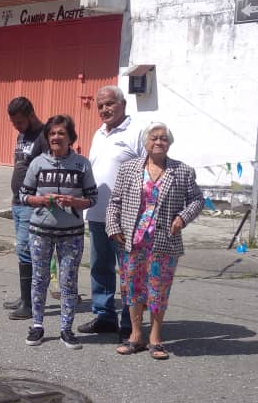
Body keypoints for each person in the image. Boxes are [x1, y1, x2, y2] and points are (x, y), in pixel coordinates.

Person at [106, 123, 203, 360]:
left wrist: (182, 217)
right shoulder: (129, 168)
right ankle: (136, 336)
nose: (159, 142)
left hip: (164, 241)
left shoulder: (183, 171)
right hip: (133, 239)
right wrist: (113, 226)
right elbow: (115, 201)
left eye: (164, 139)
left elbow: (197, 200)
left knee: (158, 289)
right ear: (145, 142)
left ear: (169, 143)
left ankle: (156, 338)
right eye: (154, 138)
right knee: (132, 288)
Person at [19, 115, 97, 349]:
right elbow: (23, 195)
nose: (56, 137)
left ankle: (66, 329)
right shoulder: (37, 163)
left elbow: (92, 198)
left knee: (68, 281)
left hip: (71, 233)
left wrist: (74, 202)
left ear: (70, 137)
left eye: (61, 133)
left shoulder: (82, 164)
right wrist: (41, 200)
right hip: (40, 231)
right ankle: (37, 325)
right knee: (39, 279)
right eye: (52, 133)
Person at [79, 86, 145, 341]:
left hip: (127, 218)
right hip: (97, 214)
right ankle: (105, 316)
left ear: (123, 104)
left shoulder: (137, 131)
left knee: (129, 271)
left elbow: (148, 171)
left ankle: (130, 323)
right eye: (100, 106)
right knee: (100, 268)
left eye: (110, 104)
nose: (105, 110)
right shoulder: (99, 133)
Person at [4, 97, 47, 320]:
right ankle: (24, 298)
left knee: (26, 249)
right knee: (22, 250)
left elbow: (49, 170)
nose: (17, 127)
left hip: (32, 203)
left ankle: (29, 305)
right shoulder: (23, 135)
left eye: (19, 122)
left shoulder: (43, 137)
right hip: (18, 202)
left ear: (31, 114)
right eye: (14, 123)